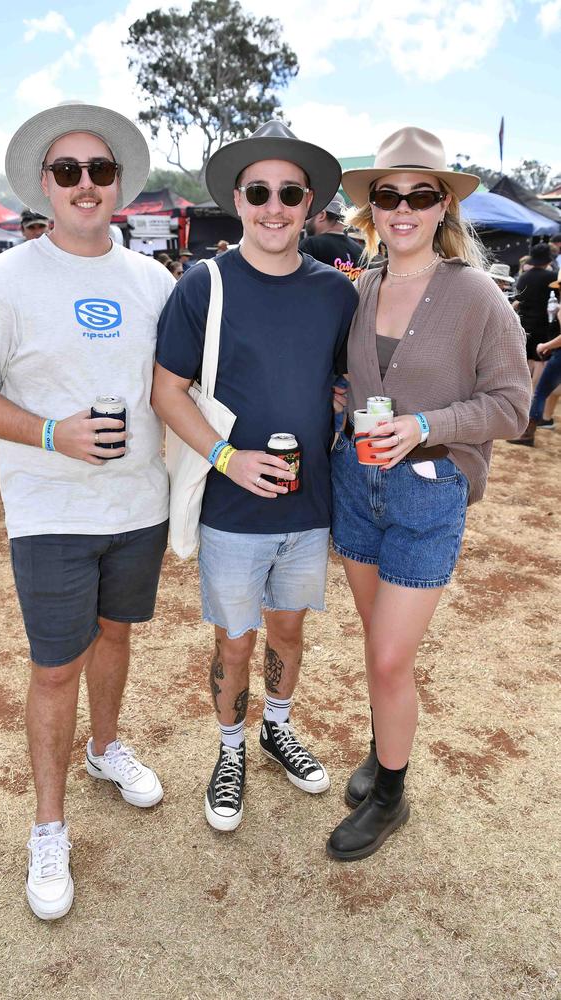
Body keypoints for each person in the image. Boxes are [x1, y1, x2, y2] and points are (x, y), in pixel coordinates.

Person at [0, 101, 175, 921]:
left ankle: (106, 750)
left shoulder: (153, 279)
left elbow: (175, 386)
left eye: (99, 171)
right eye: (68, 171)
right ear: (45, 184)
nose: (84, 184)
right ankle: (48, 826)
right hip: (52, 511)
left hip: (139, 502)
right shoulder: (5, 278)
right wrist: (51, 432)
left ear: (119, 187)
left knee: (117, 635)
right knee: (53, 666)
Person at [327, 126, 530, 862]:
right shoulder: (364, 286)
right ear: (371, 207)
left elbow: (513, 403)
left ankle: (391, 793)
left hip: (428, 492)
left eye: (420, 194)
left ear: (443, 205)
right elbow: (352, 384)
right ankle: (385, 749)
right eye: (389, 194)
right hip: (356, 484)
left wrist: (426, 424)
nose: (402, 208)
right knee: (380, 650)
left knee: (387, 657)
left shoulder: (475, 292)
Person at [152, 120, 358, 833]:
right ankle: (230, 749)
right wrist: (227, 458)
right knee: (234, 640)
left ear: (310, 205)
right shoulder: (203, 285)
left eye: (290, 192)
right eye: (260, 191)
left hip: (309, 507)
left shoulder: (337, 294)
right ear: (238, 200)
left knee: (290, 632)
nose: (275, 206)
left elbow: (342, 381)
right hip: (230, 513)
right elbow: (166, 391)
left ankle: (277, 727)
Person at [513, 242, 557, 378]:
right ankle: (533, 394)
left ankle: (525, 391)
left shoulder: (524, 277)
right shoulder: (552, 277)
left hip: (525, 323)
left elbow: (518, 299)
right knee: (539, 361)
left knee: (526, 359)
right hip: (543, 324)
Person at [300, 192, 363, 281]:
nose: (306, 220)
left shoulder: (311, 245)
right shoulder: (360, 251)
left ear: (322, 215)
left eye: (309, 214)